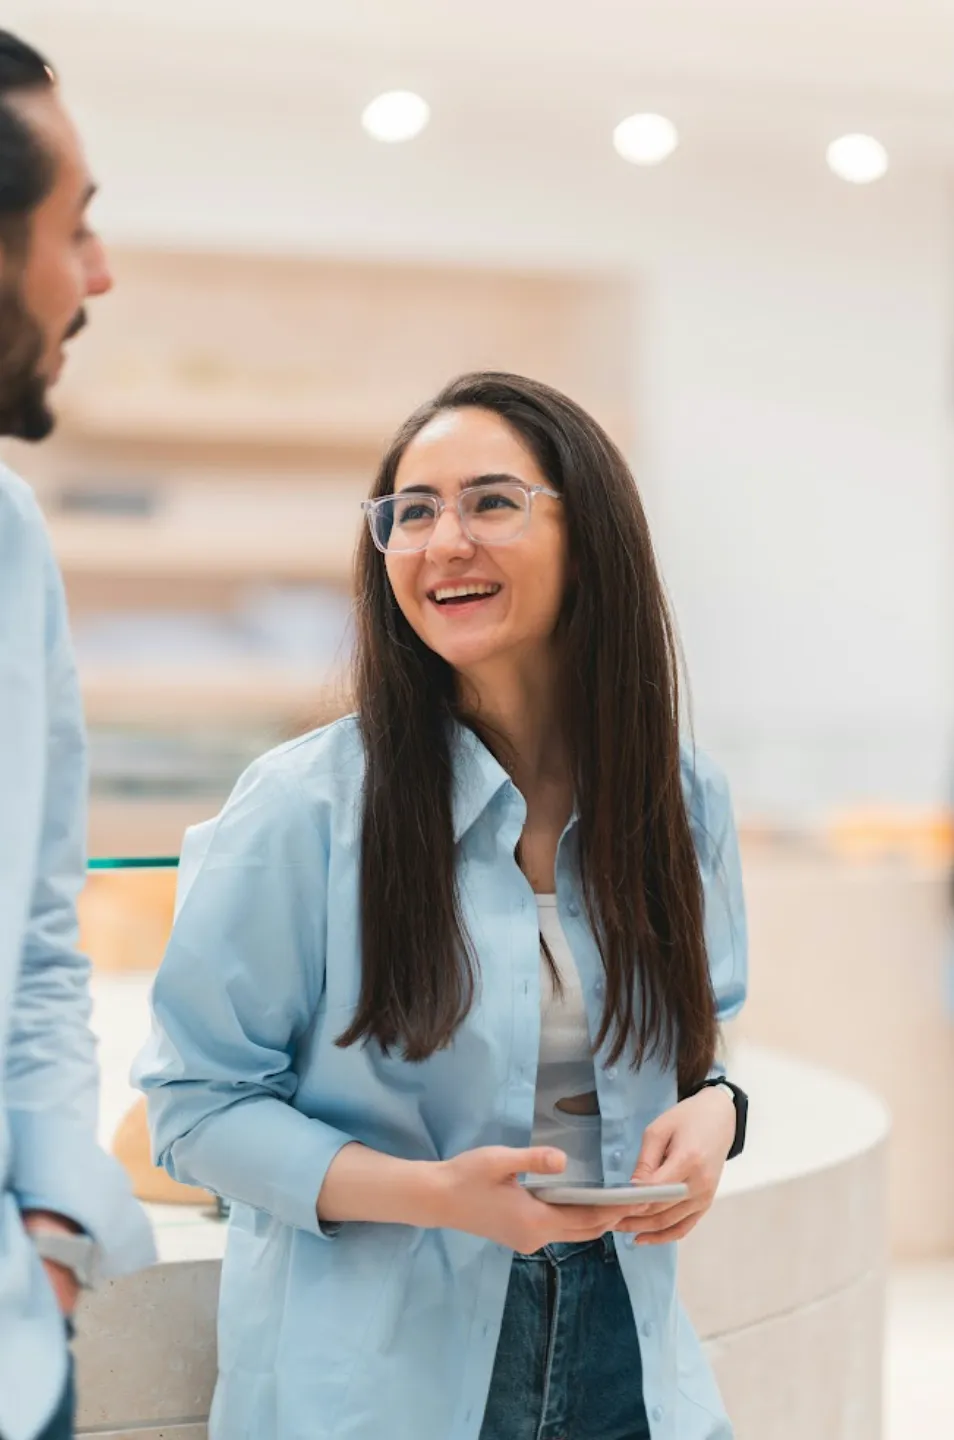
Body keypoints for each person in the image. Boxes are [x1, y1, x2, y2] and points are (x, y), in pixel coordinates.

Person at [137, 371, 748, 1440]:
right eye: (410, 511)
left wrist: (724, 1113)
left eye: (490, 502)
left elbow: (707, 1048)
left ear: (589, 532)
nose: (441, 541)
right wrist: (437, 1196)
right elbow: (194, 1111)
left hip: (630, 1355)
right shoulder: (301, 810)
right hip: (388, 1382)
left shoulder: (680, 796)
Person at [0, 32, 154, 1440]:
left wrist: (51, 1231)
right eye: (73, 225)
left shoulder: (11, 539)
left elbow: (41, 937)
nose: (96, 274)